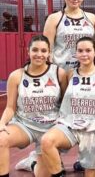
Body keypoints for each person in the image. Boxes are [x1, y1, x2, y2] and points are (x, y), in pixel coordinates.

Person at [40, 37, 95, 177]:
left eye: (88, 50)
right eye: (80, 51)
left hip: (94, 129)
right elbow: (64, 97)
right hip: (70, 125)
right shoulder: (71, 74)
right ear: (76, 53)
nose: (84, 54)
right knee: (46, 141)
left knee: (91, 173)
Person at [0, 35, 67, 177]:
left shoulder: (58, 73)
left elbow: (65, 105)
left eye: (43, 51)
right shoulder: (16, 76)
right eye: (35, 50)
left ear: (49, 53)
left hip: (50, 127)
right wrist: (1, 122)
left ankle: (31, 163)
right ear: (28, 51)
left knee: (43, 174)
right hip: (25, 125)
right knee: (1, 139)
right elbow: (10, 107)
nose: (39, 54)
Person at [43, 0, 95, 71]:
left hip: (86, 70)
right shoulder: (54, 18)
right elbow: (47, 48)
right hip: (61, 69)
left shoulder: (91, 18)